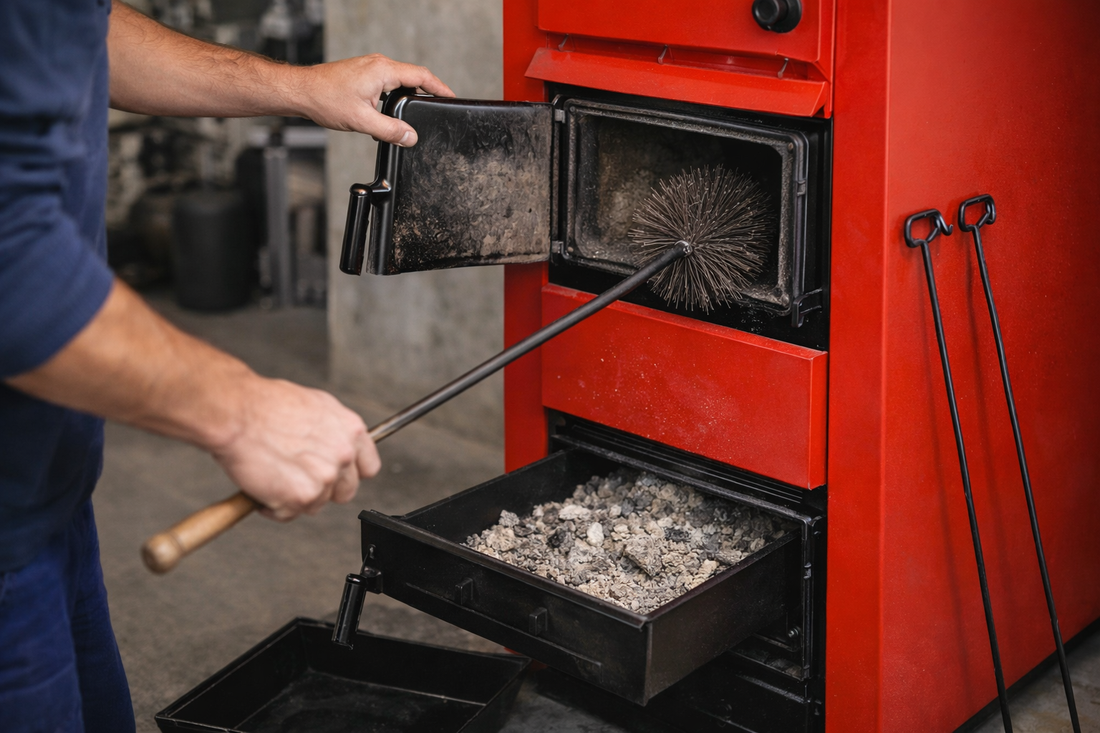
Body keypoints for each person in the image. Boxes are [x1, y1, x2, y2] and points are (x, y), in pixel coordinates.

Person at [0, 1, 454, 730]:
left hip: (44, 487)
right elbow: (9, 258)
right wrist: (244, 413)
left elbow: (88, 31)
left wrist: (302, 88)